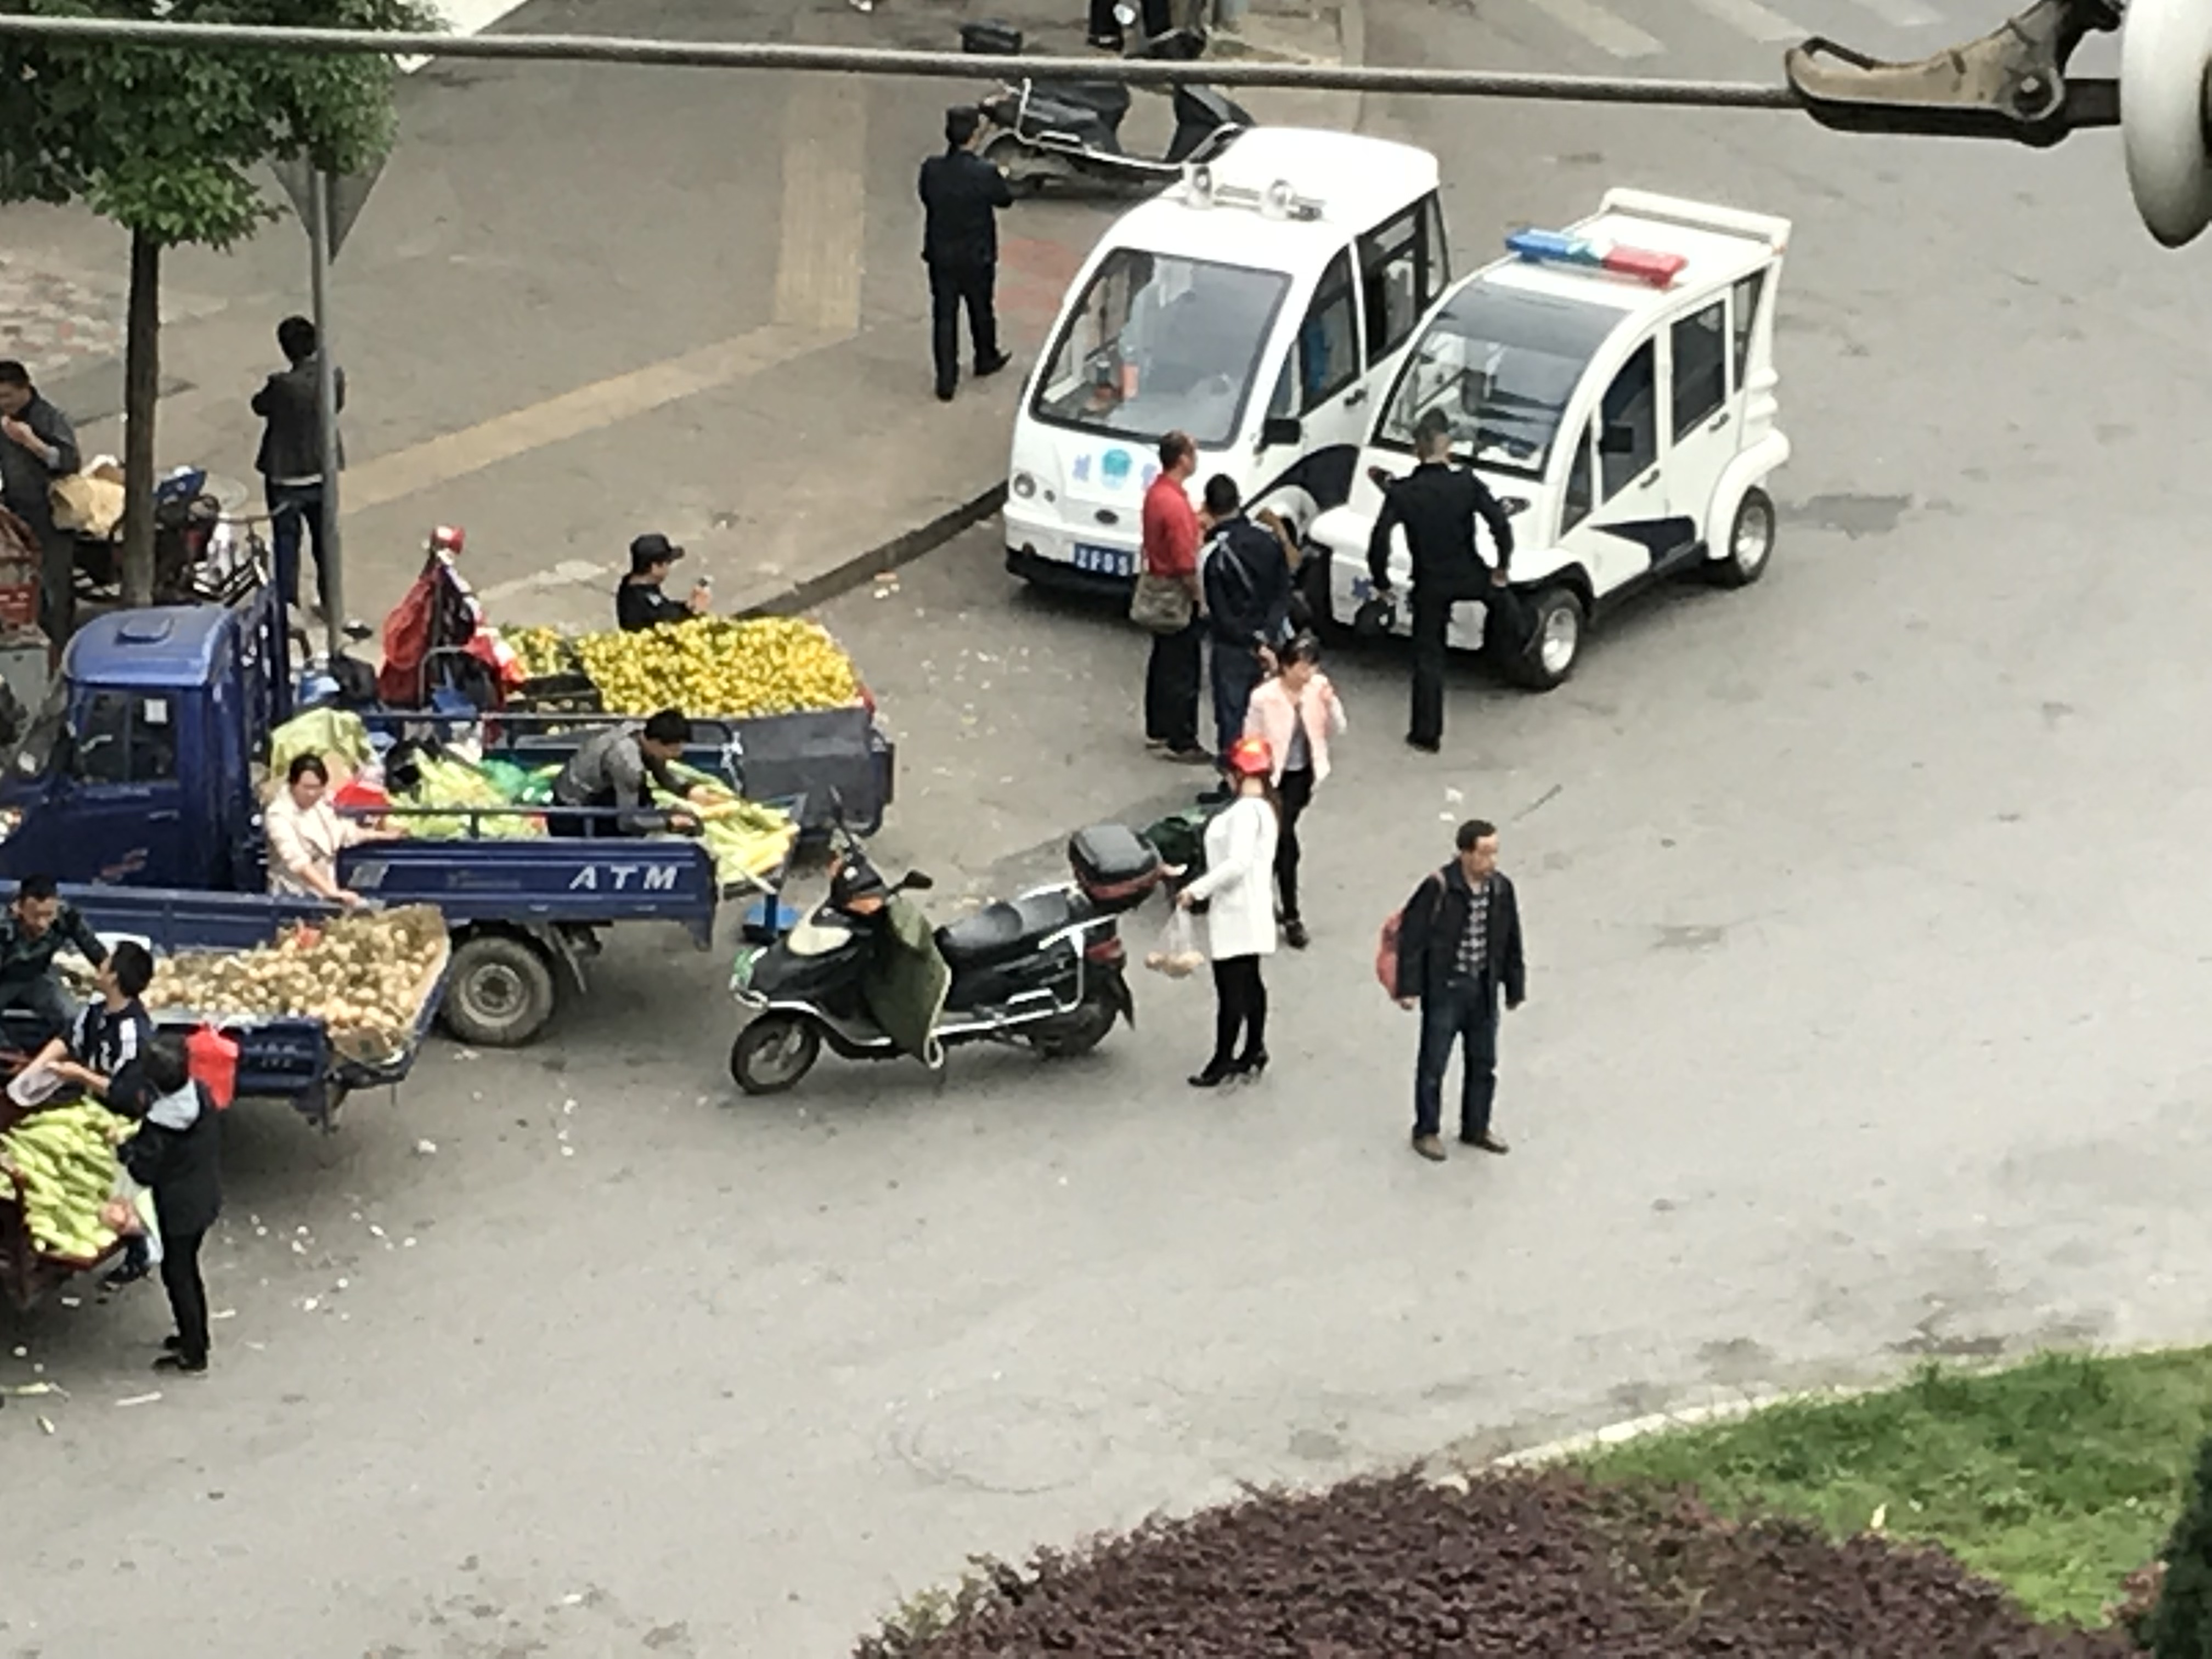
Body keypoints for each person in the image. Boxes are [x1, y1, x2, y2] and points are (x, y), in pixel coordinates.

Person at [1366, 408, 1517, 754]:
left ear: (1416, 449)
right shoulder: (1466, 482)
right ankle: (1514, 647)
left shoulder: (1403, 493)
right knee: (1504, 601)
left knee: (1428, 657)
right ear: (1447, 445)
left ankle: (1426, 733)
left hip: (1430, 583)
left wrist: (1382, 582)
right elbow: (1499, 523)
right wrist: (1502, 565)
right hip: (1470, 573)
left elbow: (1380, 541)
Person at [23, 940, 157, 1285]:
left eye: (106, 963)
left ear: (114, 977)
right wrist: (35, 1070)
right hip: (90, 1105)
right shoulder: (97, 1011)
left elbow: (126, 1092)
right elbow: (69, 1040)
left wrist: (80, 1075)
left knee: (117, 1185)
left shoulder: (134, 1033)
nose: (100, 965)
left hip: (121, 1118)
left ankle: (138, 1250)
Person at [1394, 819, 1527, 1163]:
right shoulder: (1439, 887)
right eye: (1485, 853)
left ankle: (1476, 1126)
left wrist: (1514, 986)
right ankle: (1426, 1129)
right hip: (1447, 988)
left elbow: (1511, 938)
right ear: (1465, 854)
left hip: (1483, 987)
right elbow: (1413, 939)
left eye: (1495, 853)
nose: (1492, 861)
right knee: (1434, 1063)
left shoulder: (1501, 889)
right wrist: (1409, 988)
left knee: (1484, 1062)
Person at [1175, 736, 1280, 1089]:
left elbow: (1236, 863)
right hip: (1254, 906)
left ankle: (1223, 1059)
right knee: (1250, 982)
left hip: (1236, 909)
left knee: (1231, 990)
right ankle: (1253, 1048)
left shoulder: (1244, 813)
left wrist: (1196, 890)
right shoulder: (1265, 809)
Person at [114, 1037, 222, 1375]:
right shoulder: (199, 1096)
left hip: (179, 1210)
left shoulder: (161, 1126)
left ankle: (193, 1352)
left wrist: (126, 1151)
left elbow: (143, 1170)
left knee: (179, 1275)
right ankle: (194, 1336)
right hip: (203, 1195)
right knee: (188, 1270)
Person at [1243, 633, 1346, 951]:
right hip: (1272, 778)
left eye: (1312, 666)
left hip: (1302, 776)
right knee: (1285, 840)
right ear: (1286, 667)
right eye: (1302, 667)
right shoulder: (1265, 697)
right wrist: (1251, 779)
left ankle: (1260, 893)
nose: (1308, 673)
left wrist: (1331, 703)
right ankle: (1291, 915)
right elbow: (1250, 739)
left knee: (1279, 838)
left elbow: (1337, 728)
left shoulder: (1317, 689)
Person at [1199, 475, 1296, 791]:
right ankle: (1265, 777)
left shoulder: (1214, 554)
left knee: (1232, 717)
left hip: (1232, 648)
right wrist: (1267, 636)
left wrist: (1250, 639)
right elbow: (1283, 592)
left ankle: (1234, 782)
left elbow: (1218, 612)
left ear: (1209, 507)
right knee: (1265, 715)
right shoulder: (1268, 539)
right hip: (1271, 644)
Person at [251, 317, 346, 616]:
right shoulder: (332, 377)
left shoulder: (282, 385)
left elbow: (259, 405)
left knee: (286, 542)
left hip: (285, 476)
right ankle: (330, 601)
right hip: (321, 471)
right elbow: (336, 407)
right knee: (324, 541)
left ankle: (288, 606)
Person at [919, 106, 1014, 403]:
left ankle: (946, 380)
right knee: (981, 309)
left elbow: (926, 197)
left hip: (942, 254)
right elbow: (1005, 199)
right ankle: (985, 356)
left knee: (944, 316)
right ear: (974, 136)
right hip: (977, 254)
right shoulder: (984, 172)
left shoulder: (932, 169)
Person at [0, 360, 82, 641]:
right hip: (15, 512)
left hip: (51, 515)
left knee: (54, 584)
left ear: (25, 389)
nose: (3, 403)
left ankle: (60, 642)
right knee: (20, 579)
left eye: (7, 396)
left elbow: (69, 461)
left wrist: (32, 443)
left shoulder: (48, 417)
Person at [1141, 431, 1209, 763]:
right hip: (1175, 591)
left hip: (1158, 582)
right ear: (1182, 459)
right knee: (1183, 666)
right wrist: (1199, 598)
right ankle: (1181, 738)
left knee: (1163, 659)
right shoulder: (1175, 505)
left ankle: (1158, 727)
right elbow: (1185, 563)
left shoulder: (1158, 494)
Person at [549, 709, 698, 838]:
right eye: (673, 750)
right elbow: (627, 822)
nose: (678, 755)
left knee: (646, 799)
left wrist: (687, 790)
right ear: (656, 743)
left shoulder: (640, 733)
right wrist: (668, 824)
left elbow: (659, 770)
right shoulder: (628, 763)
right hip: (572, 816)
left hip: (585, 792)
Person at [266, 754, 387, 905]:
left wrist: (381, 835)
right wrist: (330, 891)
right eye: (306, 787)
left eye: (316, 788)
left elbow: (344, 832)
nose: (311, 793)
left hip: (325, 893)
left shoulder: (321, 805)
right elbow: (297, 861)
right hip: (292, 899)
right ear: (293, 785)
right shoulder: (278, 814)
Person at [0, 874, 107, 1041]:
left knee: (73, 1018)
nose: (42, 923)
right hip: (5, 979)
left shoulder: (67, 917)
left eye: (49, 915)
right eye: (35, 916)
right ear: (19, 907)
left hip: (39, 976)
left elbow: (97, 953)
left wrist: (115, 984)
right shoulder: (4, 926)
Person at [616, 532, 710, 633]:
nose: (669, 568)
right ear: (655, 567)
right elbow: (668, 621)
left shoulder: (633, 583)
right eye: (668, 563)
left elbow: (665, 609)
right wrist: (697, 612)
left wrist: (687, 606)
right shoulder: (641, 601)